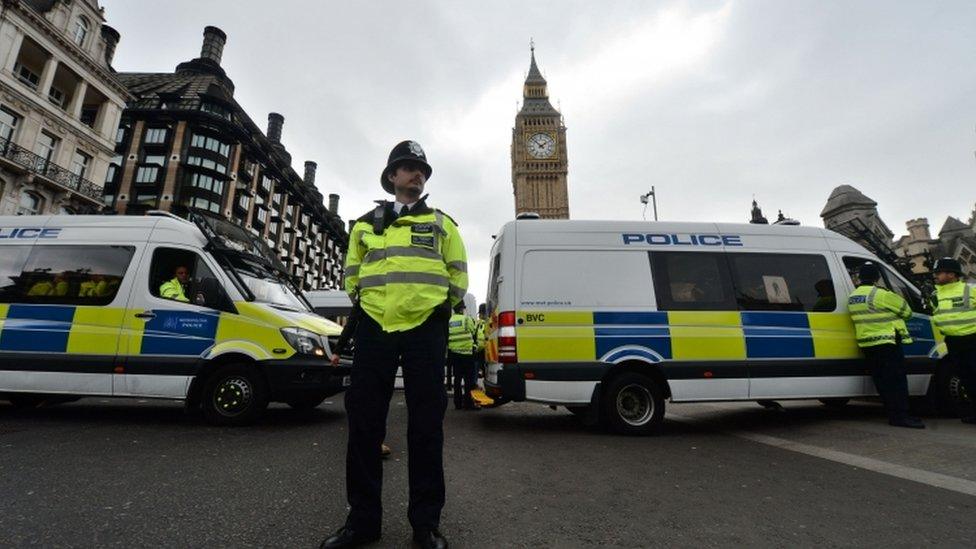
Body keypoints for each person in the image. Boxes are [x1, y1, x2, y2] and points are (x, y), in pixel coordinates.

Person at [320, 140, 466, 549]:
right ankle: (362, 524)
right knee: (364, 425)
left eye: (421, 168)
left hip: (425, 331)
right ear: (391, 177)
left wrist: (438, 312)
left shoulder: (443, 224)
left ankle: (426, 526)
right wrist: (368, 307)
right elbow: (352, 276)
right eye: (407, 167)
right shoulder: (364, 225)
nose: (416, 173)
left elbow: (458, 277)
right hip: (375, 328)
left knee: (426, 428)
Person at [847, 262, 924, 428]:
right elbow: (907, 312)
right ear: (877, 278)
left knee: (882, 381)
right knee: (896, 380)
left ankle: (893, 414)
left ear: (860, 277)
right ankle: (901, 416)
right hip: (887, 343)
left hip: (867, 344)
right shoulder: (881, 294)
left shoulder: (853, 297)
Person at [330, 302, 392, 458]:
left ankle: (374, 440)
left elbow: (351, 324)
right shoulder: (366, 298)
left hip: (379, 353)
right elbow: (351, 324)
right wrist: (338, 351)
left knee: (377, 399)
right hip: (369, 353)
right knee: (367, 398)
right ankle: (370, 440)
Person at [930, 257, 976, 424]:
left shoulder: (970, 289)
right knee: (966, 377)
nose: (935, 276)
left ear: (951, 274)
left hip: (972, 339)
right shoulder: (935, 294)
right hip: (952, 341)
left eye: (939, 272)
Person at [447, 304, 478, 410]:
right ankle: (468, 403)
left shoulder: (449, 321)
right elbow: (473, 331)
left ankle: (458, 403)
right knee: (469, 381)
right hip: (467, 354)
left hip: (454, 354)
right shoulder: (466, 319)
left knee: (457, 379)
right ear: (462, 309)